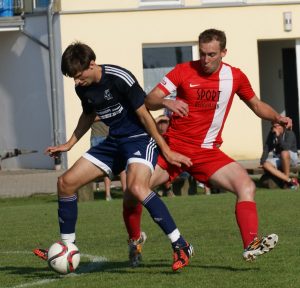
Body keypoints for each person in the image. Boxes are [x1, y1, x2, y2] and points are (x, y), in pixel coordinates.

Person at [33, 41, 193, 271]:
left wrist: (165, 150)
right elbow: (88, 116)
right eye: (73, 79)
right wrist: (69, 144)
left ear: (92, 64)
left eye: (79, 76)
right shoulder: (82, 87)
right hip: (113, 143)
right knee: (65, 183)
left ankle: (181, 244)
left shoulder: (120, 78)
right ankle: (68, 247)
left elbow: (146, 116)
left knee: (137, 189)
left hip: (139, 139)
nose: (77, 82)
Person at [142, 28, 293, 261]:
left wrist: (277, 117)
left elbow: (256, 104)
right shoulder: (183, 71)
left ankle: (251, 243)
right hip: (174, 149)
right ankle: (135, 241)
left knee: (247, 187)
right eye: (202, 53)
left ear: (223, 52)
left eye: (211, 54)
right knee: (135, 190)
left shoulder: (235, 77)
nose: (205, 59)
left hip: (206, 152)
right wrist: (167, 101)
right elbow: (149, 100)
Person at [260, 122, 299, 189]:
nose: (273, 129)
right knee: (265, 164)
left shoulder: (289, 133)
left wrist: (279, 137)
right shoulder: (272, 134)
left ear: (282, 126)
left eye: (275, 126)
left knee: (284, 153)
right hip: (279, 158)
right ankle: (288, 180)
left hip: (291, 157)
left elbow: (286, 148)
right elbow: (267, 147)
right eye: (272, 127)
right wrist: (262, 160)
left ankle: (285, 184)